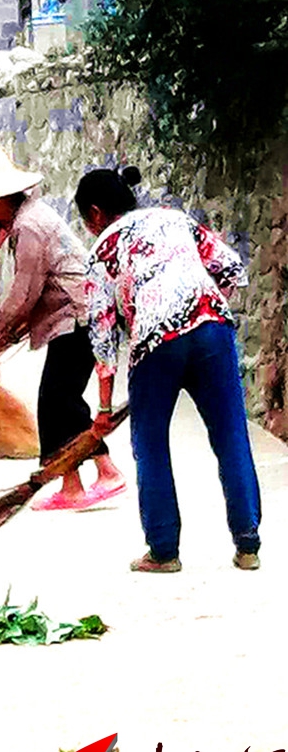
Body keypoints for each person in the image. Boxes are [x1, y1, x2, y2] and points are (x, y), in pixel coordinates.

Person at [75, 166, 262, 572]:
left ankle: (164, 550)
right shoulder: (175, 219)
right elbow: (232, 269)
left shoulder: (102, 251)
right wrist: (201, 304)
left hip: (155, 345)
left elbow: (103, 338)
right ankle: (248, 544)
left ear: (95, 213)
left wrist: (104, 411)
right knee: (231, 434)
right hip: (213, 330)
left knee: (151, 444)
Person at [0, 145, 126, 509]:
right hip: (71, 317)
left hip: (78, 317)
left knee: (59, 400)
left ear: (1, 196)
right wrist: (2, 332)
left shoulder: (30, 225)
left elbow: (25, 290)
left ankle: (106, 471)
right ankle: (72, 485)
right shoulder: (24, 221)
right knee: (56, 402)